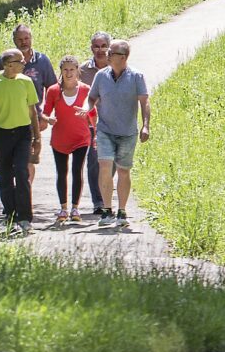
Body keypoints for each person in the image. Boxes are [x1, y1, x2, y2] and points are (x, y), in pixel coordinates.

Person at [87, 38, 151, 231]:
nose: (106, 55)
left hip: (127, 132)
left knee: (123, 171)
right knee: (105, 166)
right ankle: (107, 210)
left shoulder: (137, 76)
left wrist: (145, 126)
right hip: (105, 129)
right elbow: (91, 97)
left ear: (122, 57)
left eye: (111, 53)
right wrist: (86, 108)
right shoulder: (101, 75)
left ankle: (122, 211)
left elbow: (144, 102)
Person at [0, 49, 40, 234]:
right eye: (20, 61)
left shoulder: (26, 82)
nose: (24, 63)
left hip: (22, 133)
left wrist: (37, 137)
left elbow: (32, 112)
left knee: (22, 172)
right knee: (5, 176)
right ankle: (10, 215)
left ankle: (24, 217)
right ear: (8, 64)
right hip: (1, 134)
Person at [0, 24, 58, 203]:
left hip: (32, 119)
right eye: (20, 39)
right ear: (14, 41)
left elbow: (53, 89)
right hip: (7, 118)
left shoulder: (42, 61)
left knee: (27, 162)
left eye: (26, 38)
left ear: (31, 38)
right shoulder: (5, 59)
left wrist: (45, 115)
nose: (24, 42)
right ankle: (13, 198)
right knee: (10, 163)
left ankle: (23, 197)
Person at [39, 55, 99, 225]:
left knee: (77, 170)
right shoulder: (53, 91)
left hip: (81, 137)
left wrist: (95, 135)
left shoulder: (86, 89)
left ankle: (75, 208)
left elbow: (93, 113)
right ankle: (63, 208)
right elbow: (45, 111)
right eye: (65, 69)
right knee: (62, 172)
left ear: (78, 71)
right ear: (61, 71)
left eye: (72, 69)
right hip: (60, 138)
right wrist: (47, 119)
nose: (68, 72)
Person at [82, 31, 115, 216]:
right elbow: (68, 89)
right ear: (91, 48)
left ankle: (105, 189)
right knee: (94, 160)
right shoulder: (83, 70)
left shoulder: (117, 67)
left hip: (115, 121)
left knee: (113, 161)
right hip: (91, 123)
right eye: (96, 46)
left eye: (104, 46)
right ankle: (98, 200)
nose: (100, 50)